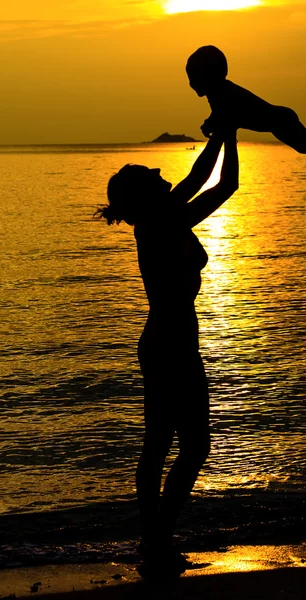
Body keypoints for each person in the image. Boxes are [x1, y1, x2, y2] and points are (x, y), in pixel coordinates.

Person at [95, 128, 238, 578]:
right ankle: (156, 539)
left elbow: (203, 177)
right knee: (182, 446)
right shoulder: (162, 222)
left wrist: (224, 130)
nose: (160, 170)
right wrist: (227, 130)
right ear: (144, 193)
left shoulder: (166, 213)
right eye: (149, 171)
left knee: (171, 445)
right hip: (168, 345)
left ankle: (155, 538)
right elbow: (222, 185)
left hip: (169, 342)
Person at [186, 45, 306, 189]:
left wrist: (212, 124)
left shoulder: (223, 93)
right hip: (276, 122)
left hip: (280, 119)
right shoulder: (217, 95)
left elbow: (223, 115)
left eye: (193, 77)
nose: (191, 83)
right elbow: (220, 115)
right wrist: (211, 123)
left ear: (209, 76)